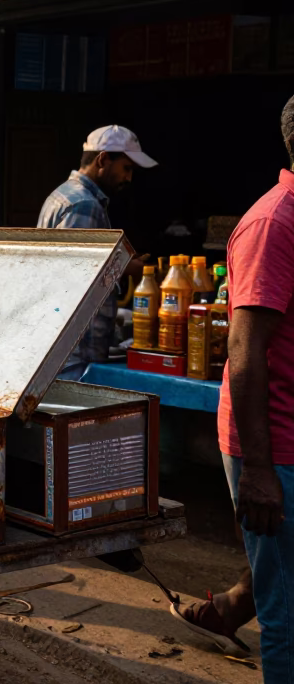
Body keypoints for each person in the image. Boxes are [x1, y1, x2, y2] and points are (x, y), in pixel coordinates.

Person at [172, 96, 294, 675]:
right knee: (289, 612)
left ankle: (231, 605)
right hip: (279, 447)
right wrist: (263, 473)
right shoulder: (275, 222)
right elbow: (244, 353)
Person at [37, 125, 155, 380]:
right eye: (126, 168)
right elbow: (75, 274)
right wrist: (125, 268)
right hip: (75, 348)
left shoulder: (62, 195)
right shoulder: (85, 205)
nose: (128, 178)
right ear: (103, 159)